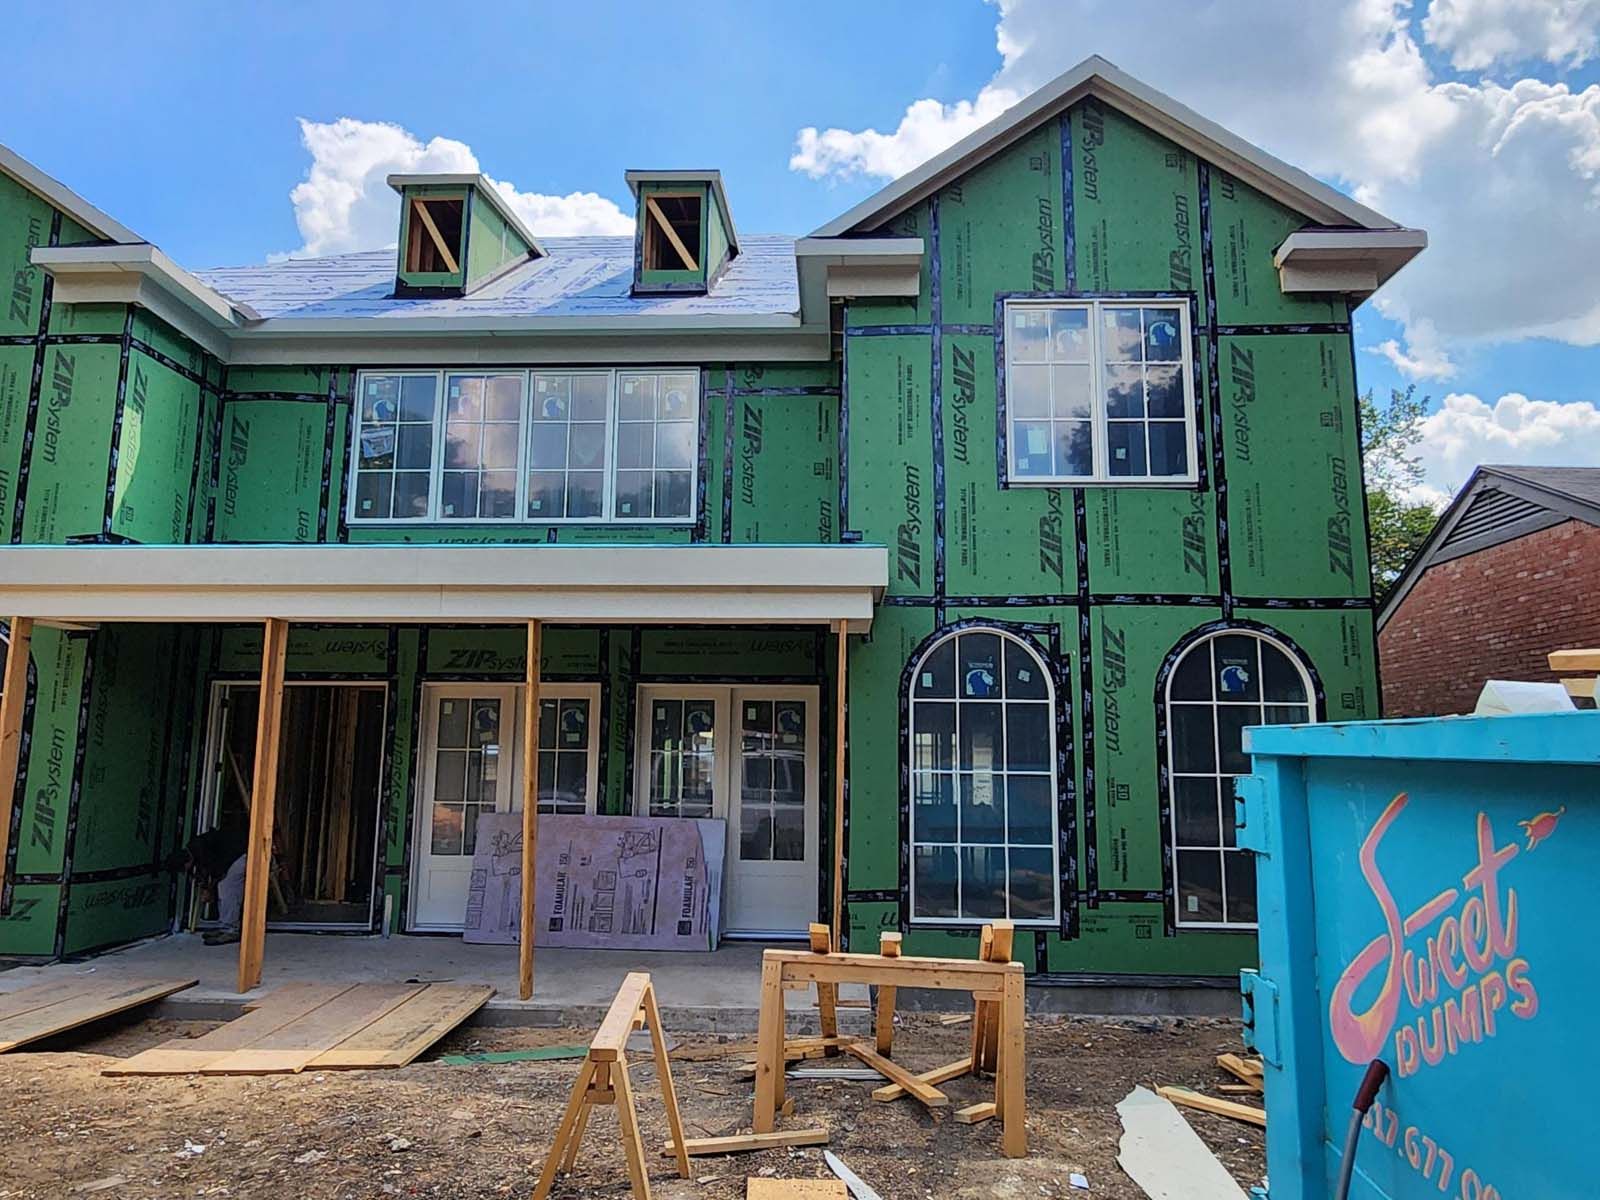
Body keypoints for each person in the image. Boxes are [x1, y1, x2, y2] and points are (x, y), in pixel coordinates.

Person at [173, 827, 249, 946]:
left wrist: (209, 889)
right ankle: (224, 926)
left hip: (239, 854)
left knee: (227, 888)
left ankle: (230, 930)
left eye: (184, 868)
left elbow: (217, 871)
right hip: (235, 853)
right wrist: (207, 887)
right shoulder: (195, 849)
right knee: (224, 888)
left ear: (187, 862)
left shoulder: (201, 851)